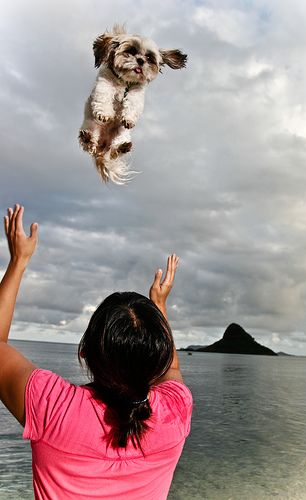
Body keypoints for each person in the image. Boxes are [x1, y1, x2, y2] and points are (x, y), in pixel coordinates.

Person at [0, 204, 192, 500]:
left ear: (84, 352)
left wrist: (18, 261)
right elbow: (173, 370)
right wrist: (160, 305)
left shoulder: (53, 407)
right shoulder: (175, 413)